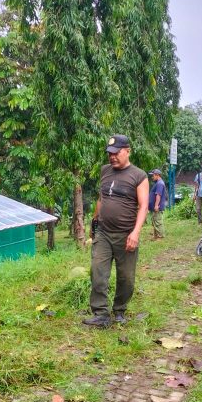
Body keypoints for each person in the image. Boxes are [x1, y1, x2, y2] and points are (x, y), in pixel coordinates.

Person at [84, 134, 149, 327]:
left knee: (126, 277)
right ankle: (101, 313)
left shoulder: (139, 175)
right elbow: (101, 197)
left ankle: (119, 310)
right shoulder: (105, 171)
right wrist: (94, 220)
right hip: (103, 232)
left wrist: (135, 232)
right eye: (109, 154)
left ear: (127, 151)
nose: (112, 157)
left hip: (125, 234)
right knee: (97, 272)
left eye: (116, 153)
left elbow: (143, 205)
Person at [148, 169, 166, 240]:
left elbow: (158, 195)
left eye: (153, 175)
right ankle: (155, 236)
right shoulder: (158, 183)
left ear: (157, 175)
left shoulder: (160, 184)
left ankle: (160, 237)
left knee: (158, 221)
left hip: (157, 207)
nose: (152, 177)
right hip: (154, 206)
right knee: (154, 221)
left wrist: (156, 205)